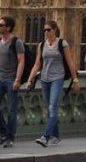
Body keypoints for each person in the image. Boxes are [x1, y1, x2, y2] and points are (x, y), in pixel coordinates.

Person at [26, 20, 79, 148]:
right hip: (44, 79)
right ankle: (55, 136)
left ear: (55, 30)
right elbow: (37, 64)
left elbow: (70, 62)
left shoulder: (62, 43)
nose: (46, 32)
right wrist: (30, 79)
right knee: (49, 108)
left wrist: (75, 80)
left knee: (52, 107)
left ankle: (46, 136)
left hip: (57, 78)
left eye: (48, 30)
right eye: (44, 30)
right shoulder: (41, 45)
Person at [0, 15, 26, 148]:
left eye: (1, 25)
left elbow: (21, 61)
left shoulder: (16, 42)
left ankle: (10, 137)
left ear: (8, 27)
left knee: (11, 110)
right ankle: (3, 133)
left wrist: (17, 79)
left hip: (11, 80)